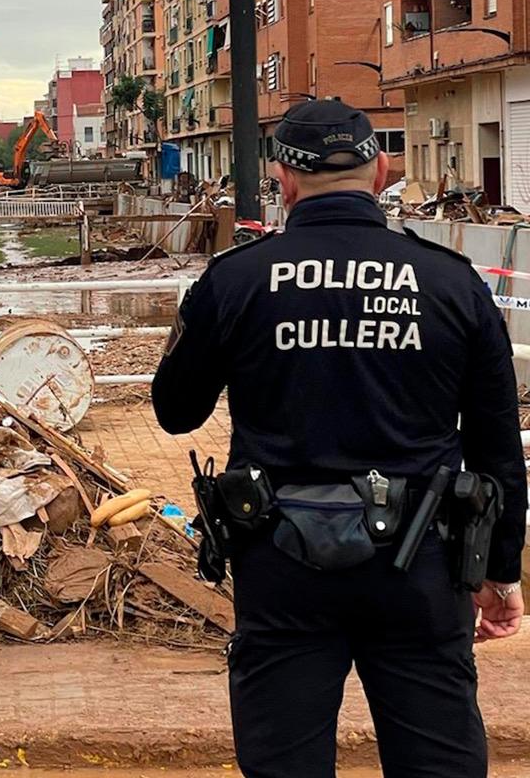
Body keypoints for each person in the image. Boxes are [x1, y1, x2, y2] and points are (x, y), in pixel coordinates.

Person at [152, 100, 526, 778]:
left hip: (281, 563)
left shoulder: (236, 279)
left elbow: (175, 411)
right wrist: (501, 571)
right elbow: (498, 445)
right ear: (381, 171)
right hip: (424, 569)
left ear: (282, 181)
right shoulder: (452, 283)